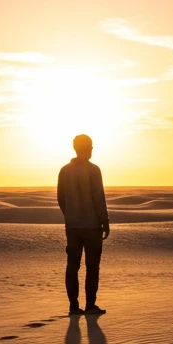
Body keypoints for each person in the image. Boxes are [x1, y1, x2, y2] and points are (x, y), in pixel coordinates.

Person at [57, 133, 110, 315]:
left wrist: (70, 216)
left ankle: (74, 306)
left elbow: (60, 199)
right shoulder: (93, 170)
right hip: (92, 226)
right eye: (90, 147)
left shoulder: (64, 170)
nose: (92, 150)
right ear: (84, 148)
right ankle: (89, 305)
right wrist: (105, 221)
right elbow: (98, 197)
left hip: (72, 226)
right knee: (92, 266)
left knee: (73, 265)